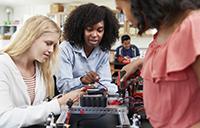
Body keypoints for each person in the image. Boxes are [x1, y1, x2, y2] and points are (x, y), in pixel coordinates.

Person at [115, 0, 200, 127]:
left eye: (122, 10)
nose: (126, 18)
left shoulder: (194, 26)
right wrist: (139, 63)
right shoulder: (159, 35)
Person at [0, 15, 84, 128]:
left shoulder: (41, 68)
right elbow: (4, 119)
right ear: (30, 38)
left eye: (54, 45)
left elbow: (36, 108)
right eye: (48, 43)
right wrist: (57, 104)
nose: (51, 50)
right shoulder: (3, 66)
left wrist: (63, 101)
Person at [56, 3, 120, 94]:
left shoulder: (103, 50)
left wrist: (117, 89)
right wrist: (82, 80)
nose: (94, 35)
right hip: (70, 102)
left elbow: (104, 82)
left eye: (99, 30)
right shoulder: (65, 49)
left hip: (93, 102)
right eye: (89, 29)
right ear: (80, 29)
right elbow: (62, 86)